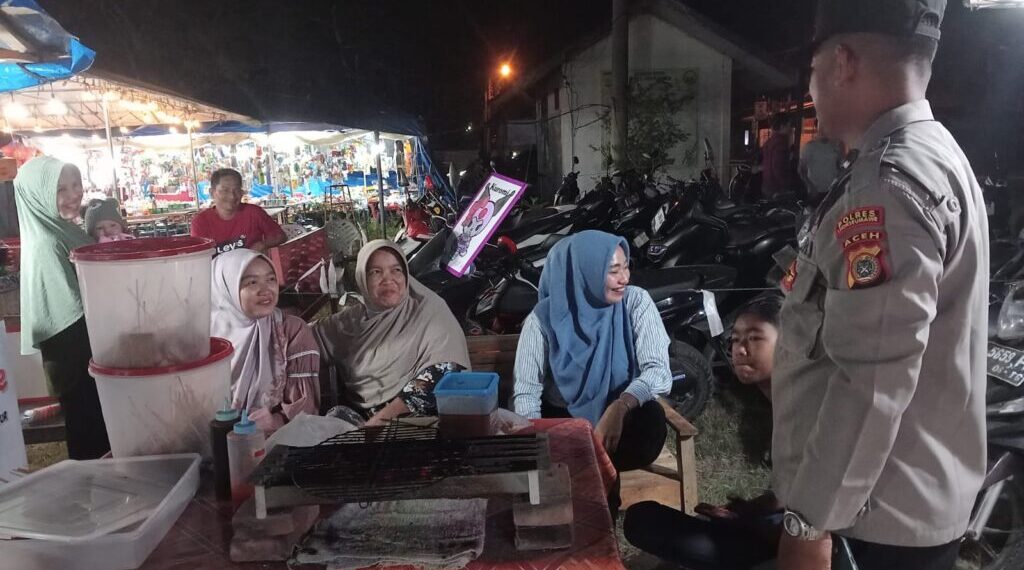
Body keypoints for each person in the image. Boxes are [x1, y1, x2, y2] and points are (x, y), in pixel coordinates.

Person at [774, 1, 987, 569]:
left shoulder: (888, 185)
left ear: (843, 63)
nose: (811, 90)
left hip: (872, 522)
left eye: (813, 70)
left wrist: (809, 521)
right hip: (896, 505)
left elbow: (870, 380)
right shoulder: (935, 155)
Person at [513, 230, 670, 512]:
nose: (625, 278)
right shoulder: (543, 318)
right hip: (563, 418)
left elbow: (658, 371)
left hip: (619, 417)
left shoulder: (635, 302)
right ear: (583, 274)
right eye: (613, 271)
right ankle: (588, 506)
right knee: (563, 469)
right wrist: (536, 450)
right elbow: (527, 392)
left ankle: (598, 504)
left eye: (626, 267)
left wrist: (620, 407)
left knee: (650, 419)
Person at [623, 296, 783, 569]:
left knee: (645, 523)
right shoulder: (778, 404)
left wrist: (749, 523)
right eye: (735, 339)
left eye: (754, 338)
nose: (740, 349)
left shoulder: (805, 413)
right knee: (642, 517)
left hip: (792, 549)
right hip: (769, 528)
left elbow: (814, 521)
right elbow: (784, 496)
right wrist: (744, 510)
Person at [312, 240, 470, 426]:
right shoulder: (349, 323)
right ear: (362, 279)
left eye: (396, 270)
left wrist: (375, 426)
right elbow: (302, 338)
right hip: (361, 427)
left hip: (424, 426)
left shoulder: (430, 312)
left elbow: (445, 374)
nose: (388, 279)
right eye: (376, 272)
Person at [14, 157, 110, 459]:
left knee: (101, 429)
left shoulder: (65, 228)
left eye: (76, 185)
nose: (73, 195)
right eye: (60, 189)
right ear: (38, 194)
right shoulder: (46, 242)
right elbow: (72, 306)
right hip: (74, 354)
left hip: (87, 345)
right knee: (89, 435)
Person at [211, 249, 321, 435]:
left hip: (275, 440)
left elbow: (305, 412)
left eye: (271, 279)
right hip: (211, 440)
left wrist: (275, 422)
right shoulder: (205, 340)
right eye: (252, 282)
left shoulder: (290, 331)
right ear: (225, 289)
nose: (266, 290)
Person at [190, 168, 286, 255]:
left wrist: (263, 244)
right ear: (212, 193)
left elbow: (280, 236)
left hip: (252, 267)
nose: (232, 196)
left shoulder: (254, 213)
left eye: (236, 190)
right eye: (225, 190)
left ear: (241, 193)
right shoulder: (200, 222)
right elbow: (197, 256)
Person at [798, 132, 844, 205]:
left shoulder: (836, 145)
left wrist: (843, 155)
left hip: (833, 190)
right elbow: (801, 169)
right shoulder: (809, 147)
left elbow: (843, 166)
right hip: (816, 190)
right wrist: (810, 186)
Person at [760, 113, 794, 199]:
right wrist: (785, 187)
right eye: (789, 125)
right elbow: (778, 167)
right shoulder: (781, 143)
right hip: (777, 189)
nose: (790, 128)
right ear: (782, 126)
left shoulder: (769, 142)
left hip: (767, 185)